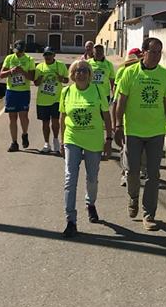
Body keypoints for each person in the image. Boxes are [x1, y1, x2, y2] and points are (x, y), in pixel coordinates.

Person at [114, 37, 166, 231]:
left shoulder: (165, 75)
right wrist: (118, 126)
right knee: (132, 171)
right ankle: (133, 197)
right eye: (154, 51)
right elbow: (121, 102)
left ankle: (149, 214)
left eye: (160, 52)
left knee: (153, 174)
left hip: (156, 132)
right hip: (133, 131)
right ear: (144, 52)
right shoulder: (129, 73)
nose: (157, 55)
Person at [60, 59, 113, 237]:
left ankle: (90, 204)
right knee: (70, 179)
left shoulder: (97, 91)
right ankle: (71, 220)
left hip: (93, 140)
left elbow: (106, 117)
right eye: (77, 70)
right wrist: (61, 140)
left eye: (84, 70)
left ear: (90, 74)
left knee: (92, 177)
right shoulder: (66, 92)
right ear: (72, 75)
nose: (80, 73)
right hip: (72, 139)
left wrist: (109, 139)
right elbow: (62, 118)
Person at [0, 40, 36, 152]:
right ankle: (14, 142)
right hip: (12, 91)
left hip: (24, 91)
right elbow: (1, 75)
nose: (19, 53)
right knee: (12, 117)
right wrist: (11, 71)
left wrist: (23, 72)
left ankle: (24, 134)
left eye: (21, 51)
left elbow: (32, 77)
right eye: (17, 51)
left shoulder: (30, 60)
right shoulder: (9, 58)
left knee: (23, 116)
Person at [113, 48, 141, 187]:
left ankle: (139, 171)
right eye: (129, 64)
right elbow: (116, 102)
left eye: (134, 63)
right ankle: (125, 174)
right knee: (125, 149)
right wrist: (116, 124)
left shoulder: (141, 76)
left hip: (139, 122)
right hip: (125, 120)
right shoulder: (123, 75)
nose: (132, 66)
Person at [34, 47, 69, 154]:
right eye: (46, 55)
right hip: (43, 100)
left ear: (54, 55)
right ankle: (46, 143)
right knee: (45, 123)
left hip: (56, 99)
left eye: (50, 54)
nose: (48, 57)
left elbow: (67, 80)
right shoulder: (40, 67)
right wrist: (40, 78)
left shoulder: (60, 65)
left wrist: (61, 78)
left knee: (55, 122)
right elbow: (36, 83)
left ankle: (55, 141)